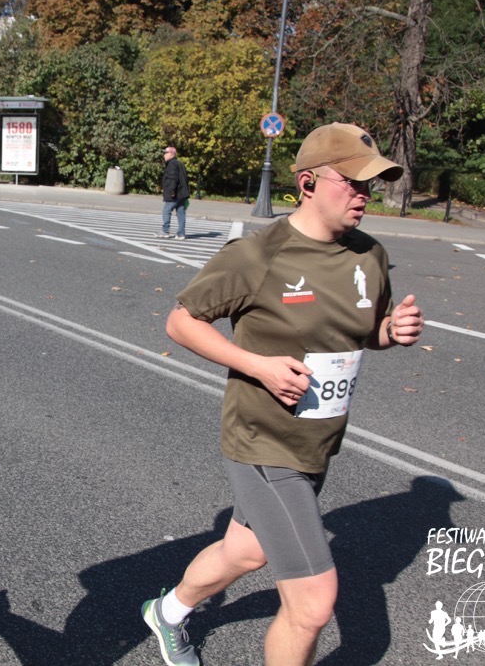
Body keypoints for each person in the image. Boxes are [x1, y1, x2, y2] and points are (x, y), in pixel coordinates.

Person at [142, 123, 424, 666]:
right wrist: (258, 366)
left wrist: (394, 330)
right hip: (264, 441)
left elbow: (365, 332)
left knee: (244, 551)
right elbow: (181, 321)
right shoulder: (258, 254)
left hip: (317, 440)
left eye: (371, 183)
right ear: (307, 183)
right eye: (353, 182)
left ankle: (167, 613)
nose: (365, 194)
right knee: (313, 604)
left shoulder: (370, 254)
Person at [156, 146, 189, 240]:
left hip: (174, 193)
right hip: (182, 194)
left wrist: (171, 192)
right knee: (181, 213)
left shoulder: (172, 164)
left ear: (171, 154)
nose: (164, 155)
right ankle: (181, 234)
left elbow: (173, 179)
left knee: (166, 210)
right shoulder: (179, 163)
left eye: (165, 153)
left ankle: (165, 231)